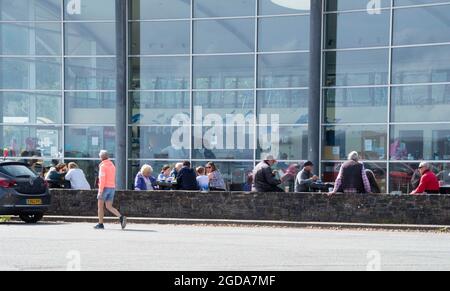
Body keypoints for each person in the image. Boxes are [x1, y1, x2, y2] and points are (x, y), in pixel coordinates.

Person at [95, 150, 126, 230]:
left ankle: (100, 224)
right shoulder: (112, 165)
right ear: (107, 156)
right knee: (109, 206)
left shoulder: (103, 166)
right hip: (112, 187)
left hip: (104, 188)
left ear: (101, 157)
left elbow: (102, 179)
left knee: (100, 207)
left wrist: (100, 191)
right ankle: (121, 217)